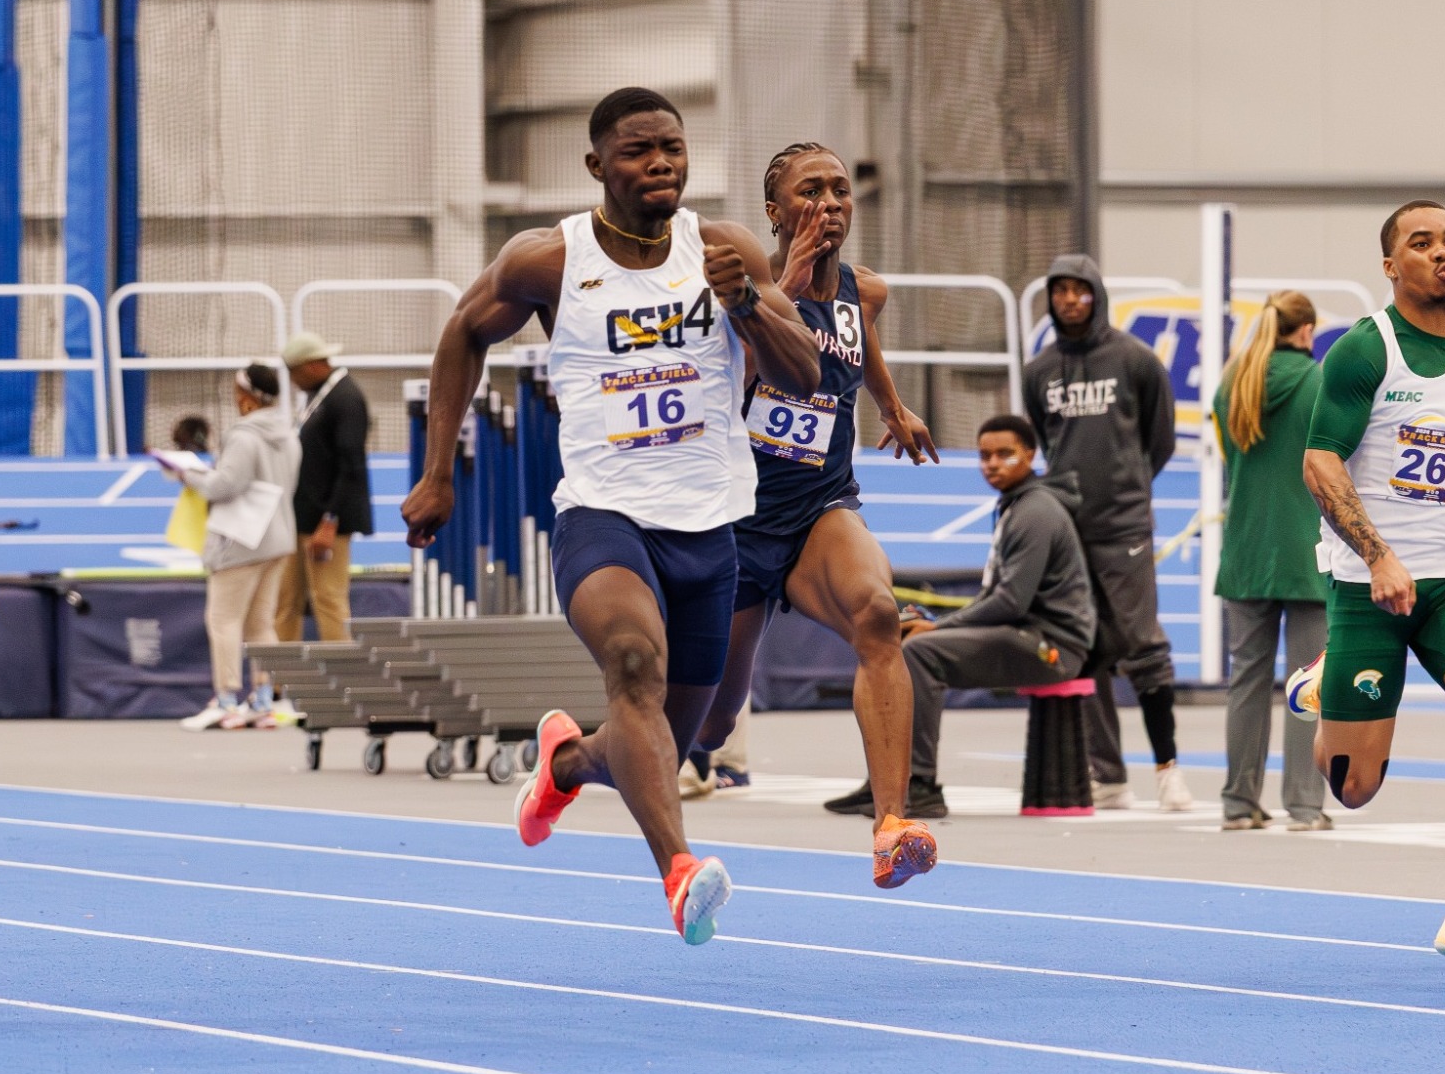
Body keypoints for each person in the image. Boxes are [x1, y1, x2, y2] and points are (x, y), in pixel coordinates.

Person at [402, 87, 828, 941]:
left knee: (687, 732)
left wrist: (743, 304)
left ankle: (566, 760)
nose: (661, 162)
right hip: (603, 514)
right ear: (598, 165)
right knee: (633, 661)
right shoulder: (548, 259)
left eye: (672, 147)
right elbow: (462, 333)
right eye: (638, 151)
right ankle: (679, 871)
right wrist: (437, 471)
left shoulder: (721, 248)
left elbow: (806, 376)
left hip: (708, 520)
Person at [1286, 200, 1445, 969]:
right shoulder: (1365, 353)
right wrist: (1380, 556)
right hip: (1368, 584)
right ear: (1392, 267)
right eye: (1421, 244)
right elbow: (1319, 462)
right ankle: (1330, 680)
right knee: (1354, 790)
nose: (1442, 254)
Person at [688, 141, 944, 874]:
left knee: (875, 612)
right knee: (710, 722)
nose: (829, 203)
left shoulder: (868, 291)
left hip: (818, 506)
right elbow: (736, 381)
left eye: (839, 190)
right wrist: (786, 290)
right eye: (810, 191)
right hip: (737, 521)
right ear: (775, 212)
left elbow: (861, 346)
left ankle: (892, 823)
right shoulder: (744, 289)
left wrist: (894, 407)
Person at [1021, 254, 1189, 812]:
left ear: (1096, 294)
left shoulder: (1136, 360)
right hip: (1067, 531)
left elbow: (1158, 441)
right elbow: (1047, 444)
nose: (1070, 300)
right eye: (1061, 291)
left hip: (1125, 528)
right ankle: (1108, 774)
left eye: (1080, 290)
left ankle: (1169, 772)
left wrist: (1128, 487)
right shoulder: (1039, 369)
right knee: (1083, 649)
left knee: (1143, 647)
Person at [888, 416, 1096, 799]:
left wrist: (939, 630)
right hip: (1024, 632)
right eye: (984, 456)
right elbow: (993, 596)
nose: (992, 464)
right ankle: (884, 782)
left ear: (1030, 455)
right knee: (896, 646)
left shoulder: (1035, 512)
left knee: (920, 652)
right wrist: (936, 621)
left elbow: (1010, 602)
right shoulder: (1014, 507)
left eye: (1004, 454)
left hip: (1053, 646)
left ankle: (919, 786)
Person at [1211, 292, 1329, 831]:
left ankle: (1238, 803)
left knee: (1246, 683)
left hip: (1245, 552)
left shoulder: (1232, 385)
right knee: (1308, 685)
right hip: (1307, 552)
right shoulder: (1319, 381)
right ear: (1306, 331)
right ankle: (1305, 806)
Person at [168, 364, 301, 731]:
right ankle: (262, 700)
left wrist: (186, 473)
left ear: (248, 395)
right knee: (261, 623)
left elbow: (224, 486)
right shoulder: (287, 433)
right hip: (277, 537)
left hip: (241, 539)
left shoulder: (244, 436)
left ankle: (227, 700)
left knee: (223, 619)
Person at [275, 331, 371, 643]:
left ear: (313, 365)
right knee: (285, 602)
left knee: (328, 600)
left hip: (325, 522)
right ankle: (277, 687)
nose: (292, 381)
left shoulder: (346, 399)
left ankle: (343, 684)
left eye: (294, 372)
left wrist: (329, 522)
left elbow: (351, 467)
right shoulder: (321, 397)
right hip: (302, 517)